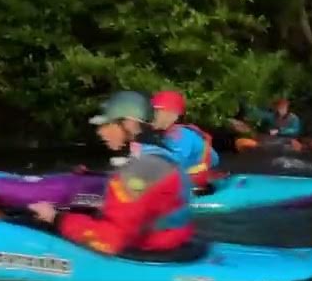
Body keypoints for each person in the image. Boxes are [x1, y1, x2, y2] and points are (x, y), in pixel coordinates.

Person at [29, 91, 194, 254]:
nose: (100, 132)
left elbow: (108, 240)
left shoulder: (140, 168)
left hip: (148, 250)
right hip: (170, 240)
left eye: (106, 125)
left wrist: (56, 219)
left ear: (129, 124)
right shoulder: (157, 155)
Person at [150, 90, 220, 189]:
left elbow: (173, 166)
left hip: (195, 180)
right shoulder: (158, 133)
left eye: (157, 111)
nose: (152, 116)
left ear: (173, 115)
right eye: (152, 111)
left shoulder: (182, 136)